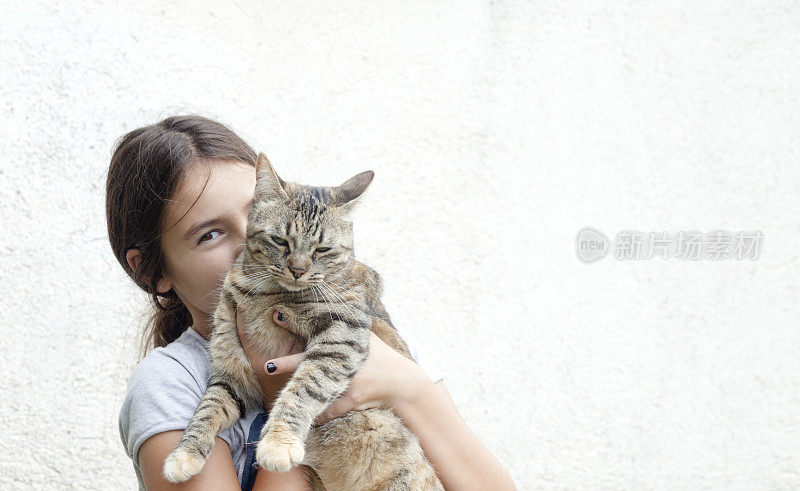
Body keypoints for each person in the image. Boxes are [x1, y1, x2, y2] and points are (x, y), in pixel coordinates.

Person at [108, 115, 516, 490]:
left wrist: (409, 389)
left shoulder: (367, 335)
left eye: (259, 213)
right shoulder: (170, 383)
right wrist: (281, 399)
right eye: (209, 234)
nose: (256, 239)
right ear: (150, 272)